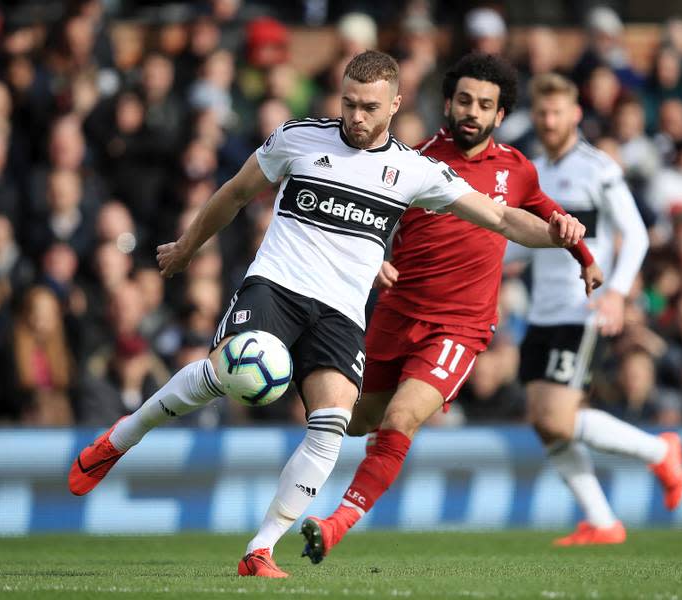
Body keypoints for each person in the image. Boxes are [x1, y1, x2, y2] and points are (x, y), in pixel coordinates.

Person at [66, 50, 587, 578]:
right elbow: (236, 192)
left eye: (368, 108)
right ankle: (120, 439)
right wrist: (187, 246)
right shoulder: (298, 137)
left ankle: (260, 549)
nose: (356, 117)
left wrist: (558, 235)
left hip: (340, 314)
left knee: (332, 424)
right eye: (348, 103)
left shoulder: (413, 170)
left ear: (395, 106)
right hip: (275, 288)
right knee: (232, 372)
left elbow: (499, 216)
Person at [298, 53, 602, 565]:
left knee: (400, 419)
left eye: (485, 104)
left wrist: (581, 252)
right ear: (447, 103)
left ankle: (335, 525)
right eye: (464, 100)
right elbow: (363, 220)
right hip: (397, 316)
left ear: (500, 115)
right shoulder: (410, 163)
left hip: (459, 329)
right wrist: (372, 260)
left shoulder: (516, 169)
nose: (472, 111)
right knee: (347, 421)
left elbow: (542, 216)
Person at [518, 73, 682, 545]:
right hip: (541, 312)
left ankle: (659, 450)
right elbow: (520, 245)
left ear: (574, 115)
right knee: (543, 421)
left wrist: (617, 291)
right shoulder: (531, 173)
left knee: (556, 417)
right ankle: (602, 521)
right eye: (543, 113)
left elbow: (636, 233)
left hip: (583, 307)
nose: (549, 121)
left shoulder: (599, 168)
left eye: (558, 113)